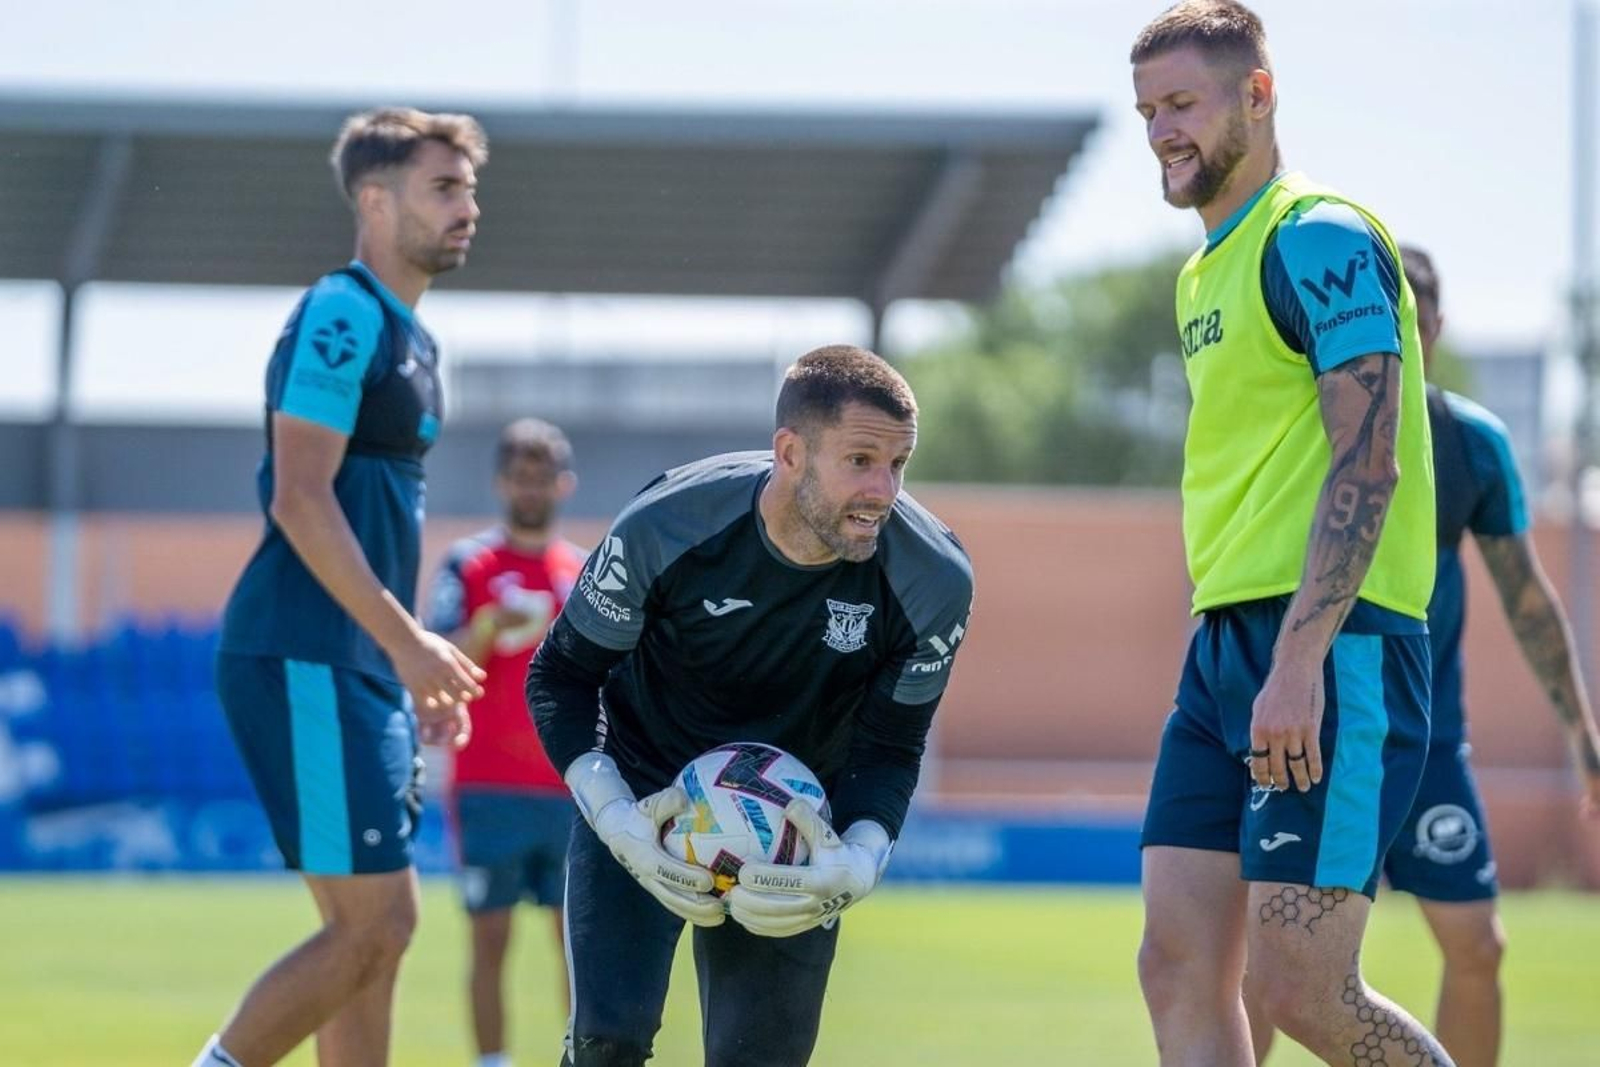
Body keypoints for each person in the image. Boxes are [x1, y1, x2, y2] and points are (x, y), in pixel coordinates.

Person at [1130, 3, 1455, 1064]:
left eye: (1182, 103)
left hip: (1333, 647)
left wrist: (1301, 658)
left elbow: (1368, 458)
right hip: (1223, 644)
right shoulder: (1199, 272)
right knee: (1177, 964)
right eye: (1147, 111)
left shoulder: (1318, 235)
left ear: (1257, 95)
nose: (1161, 132)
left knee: (1300, 987)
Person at [525, 344, 974, 1067]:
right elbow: (561, 676)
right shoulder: (665, 523)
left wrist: (857, 861)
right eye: (860, 460)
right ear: (790, 453)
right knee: (607, 1043)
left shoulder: (934, 578)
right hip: (644, 792)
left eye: (899, 463)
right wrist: (616, 819)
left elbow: (891, 746)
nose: (883, 490)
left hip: (796, 828)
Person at [1257, 246, 1600, 1066]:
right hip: (1314, 732)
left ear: (1431, 325)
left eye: (1405, 316)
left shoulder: (1470, 443)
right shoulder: (1306, 433)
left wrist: (1583, 735)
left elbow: (1529, 600)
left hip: (1425, 737)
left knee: (1479, 946)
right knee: (1264, 963)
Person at [197, 107, 489, 1067]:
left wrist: (401, 661)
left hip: (357, 664)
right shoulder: (342, 311)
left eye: (469, 188)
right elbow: (300, 495)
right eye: (442, 188)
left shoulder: (416, 341)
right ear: (375, 199)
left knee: (371, 947)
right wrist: (407, 643)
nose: (467, 207)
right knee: (378, 924)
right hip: (306, 653)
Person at [425, 418, 587, 1067]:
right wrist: (490, 625)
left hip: (569, 786)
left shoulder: (583, 571)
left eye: (542, 476)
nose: (531, 488)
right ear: (500, 481)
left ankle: (585, 1057)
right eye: (520, 476)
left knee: (577, 943)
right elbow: (441, 660)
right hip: (486, 784)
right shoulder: (470, 565)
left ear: (563, 483)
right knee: (489, 938)